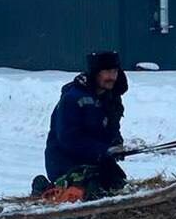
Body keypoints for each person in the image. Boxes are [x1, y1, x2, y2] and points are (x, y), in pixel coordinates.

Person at [32, 50, 128, 201]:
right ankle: (47, 190)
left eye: (115, 71)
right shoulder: (72, 99)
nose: (112, 77)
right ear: (95, 73)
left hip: (95, 161)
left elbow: (111, 129)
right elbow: (69, 139)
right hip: (65, 163)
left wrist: (116, 143)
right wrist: (104, 150)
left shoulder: (110, 99)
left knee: (118, 184)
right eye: (107, 72)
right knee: (92, 191)